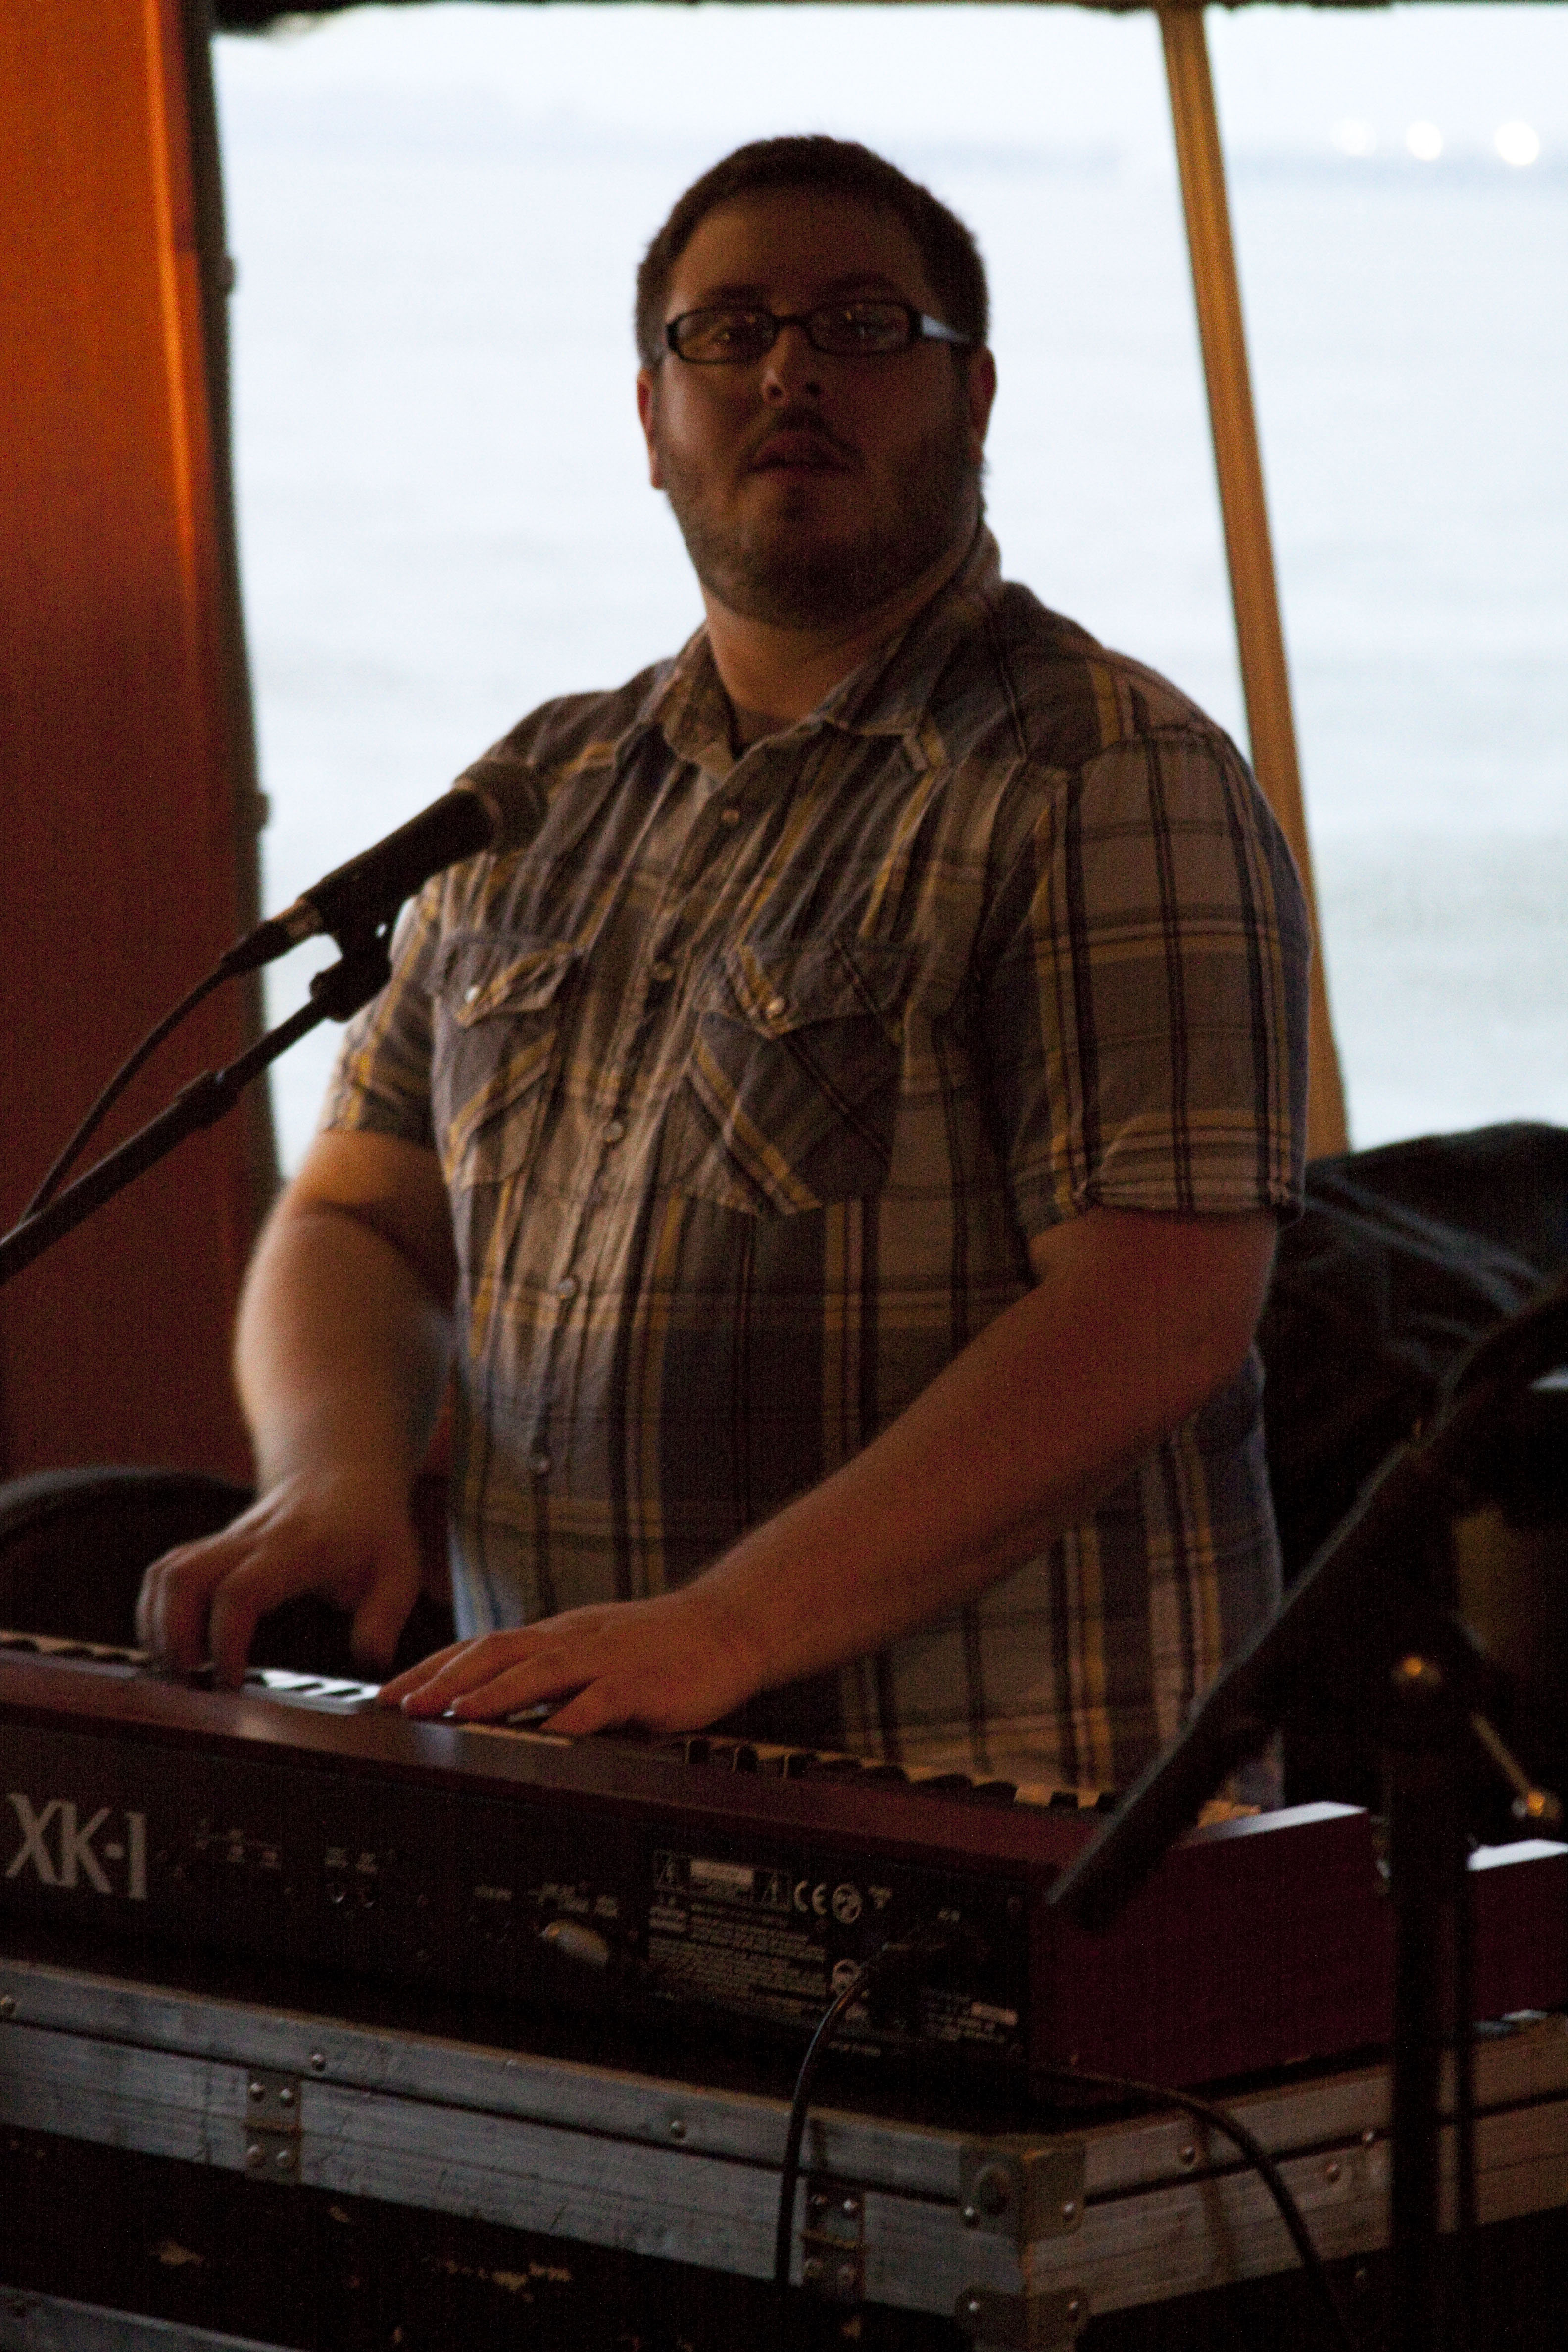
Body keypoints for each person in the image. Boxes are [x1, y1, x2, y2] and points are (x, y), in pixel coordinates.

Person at [138, 136, 1308, 1795]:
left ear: (974, 398)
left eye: (863, 327)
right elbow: (358, 1219)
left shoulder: (1103, 771)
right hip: (565, 1772)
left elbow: (1160, 1315)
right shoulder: (535, 793)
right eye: (729, 331)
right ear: (650, 418)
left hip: (1015, 1809)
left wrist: (728, 1628)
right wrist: (335, 1470)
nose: (789, 372)